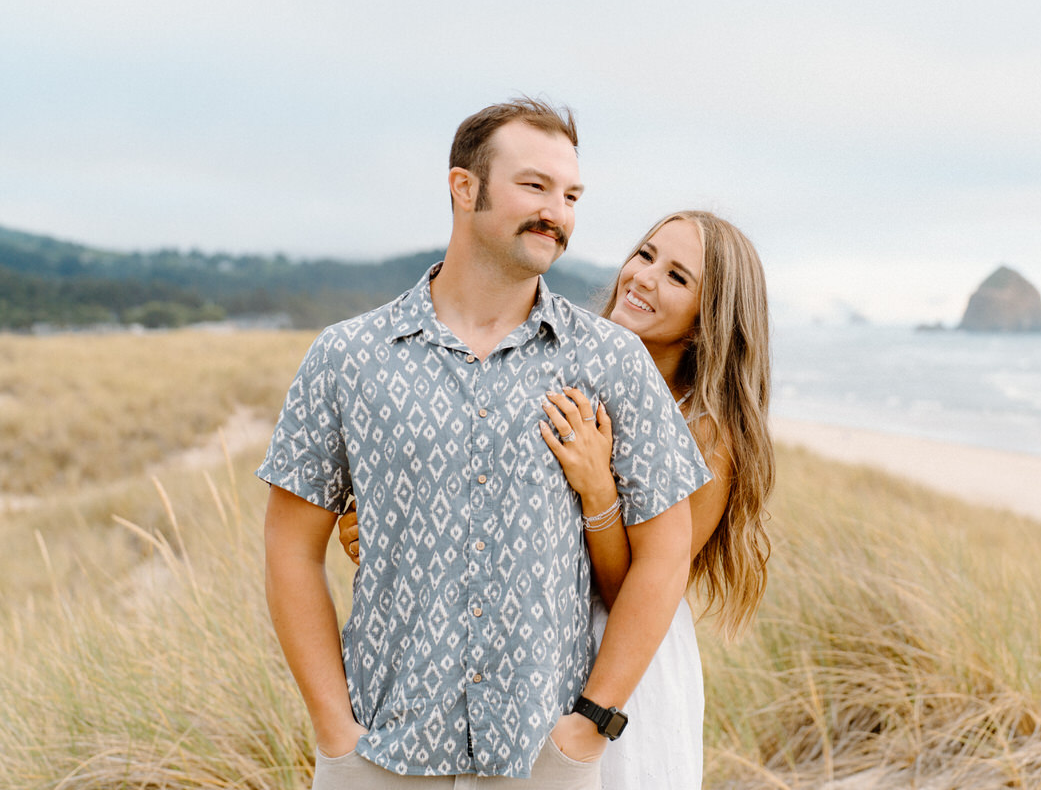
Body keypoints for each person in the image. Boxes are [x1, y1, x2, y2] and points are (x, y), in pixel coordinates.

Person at [258, 98, 710, 789]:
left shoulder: (613, 362)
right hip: (380, 752)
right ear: (463, 188)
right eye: (534, 186)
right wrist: (335, 734)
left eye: (571, 195)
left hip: (544, 760)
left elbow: (668, 548)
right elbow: (291, 547)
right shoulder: (347, 356)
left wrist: (590, 725)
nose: (556, 211)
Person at [338, 209, 775, 789]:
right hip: (528, 643)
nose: (643, 277)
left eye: (677, 277)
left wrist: (599, 491)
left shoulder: (708, 434)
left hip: (625, 662)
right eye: (645, 255)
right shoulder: (570, 369)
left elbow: (633, 589)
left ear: (705, 322)